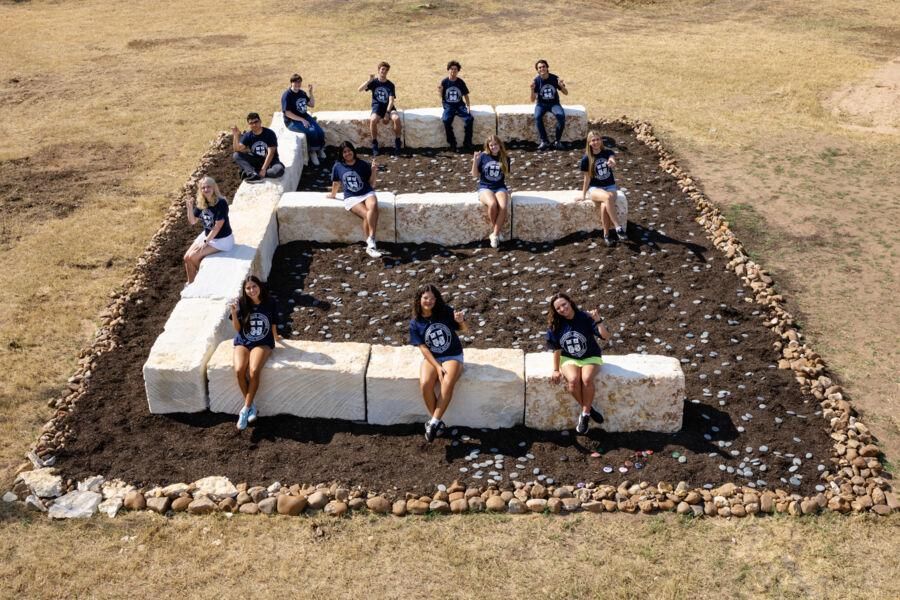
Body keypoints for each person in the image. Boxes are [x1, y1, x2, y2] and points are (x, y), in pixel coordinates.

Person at [409, 284, 469, 443]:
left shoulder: (445, 311)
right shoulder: (415, 323)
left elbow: (464, 329)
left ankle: (433, 422)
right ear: (419, 299)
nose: (429, 301)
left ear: (437, 300)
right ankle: (436, 422)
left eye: (432, 298)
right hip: (432, 358)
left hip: (452, 355)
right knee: (425, 384)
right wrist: (436, 366)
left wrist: (461, 321)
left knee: (447, 382)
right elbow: (423, 348)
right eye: (425, 298)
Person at [546, 292, 608, 435]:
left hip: (590, 356)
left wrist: (598, 321)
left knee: (586, 379)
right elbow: (556, 349)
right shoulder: (555, 324)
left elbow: (605, 337)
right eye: (558, 308)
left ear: (570, 302)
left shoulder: (585, 317)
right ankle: (589, 410)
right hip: (569, 358)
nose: (562, 309)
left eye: (564, 304)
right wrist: (556, 369)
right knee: (573, 380)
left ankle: (584, 414)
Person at [230, 275, 281, 431]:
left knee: (253, 371)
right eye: (248, 288)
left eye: (254, 286)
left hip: (262, 343)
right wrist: (233, 313)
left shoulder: (270, 302)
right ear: (244, 290)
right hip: (243, 342)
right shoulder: (241, 303)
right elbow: (238, 329)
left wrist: (276, 337)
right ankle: (252, 407)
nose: (251, 290)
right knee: (239, 370)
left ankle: (245, 410)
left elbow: (273, 323)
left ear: (259, 287)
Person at [326, 141, 383, 258]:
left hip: (366, 192)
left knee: (373, 205)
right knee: (367, 214)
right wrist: (333, 195)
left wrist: (373, 171)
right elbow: (336, 182)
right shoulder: (338, 166)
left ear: (353, 151)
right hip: (351, 197)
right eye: (344, 152)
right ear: (341, 154)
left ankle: (371, 240)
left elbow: (371, 184)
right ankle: (371, 247)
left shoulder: (362, 164)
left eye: (349, 150)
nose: (347, 153)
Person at [576, 130, 626, 246]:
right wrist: (583, 195)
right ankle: (618, 227)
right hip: (595, 188)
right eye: (593, 140)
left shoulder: (607, 152)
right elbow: (587, 178)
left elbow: (612, 159)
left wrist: (612, 162)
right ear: (589, 143)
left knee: (604, 205)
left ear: (601, 140)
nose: (596, 142)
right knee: (607, 198)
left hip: (610, 186)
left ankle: (606, 235)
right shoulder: (586, 159)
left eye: (598, 139)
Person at [183, 176, 234, 284]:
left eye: (208, 187)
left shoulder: (221, 203)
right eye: (203, 188)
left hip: (222, 239)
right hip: (208, 235)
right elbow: (192, 221)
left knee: (193, 256)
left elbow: (218, 226)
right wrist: (189, 208)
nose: (206, 190)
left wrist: (206, 242)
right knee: (187, 257)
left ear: (214, 187)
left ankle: (203, 280)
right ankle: (191, 283)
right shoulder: (202, 202)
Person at [471, 135, 511, 248]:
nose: (493, 147)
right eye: (491, 145)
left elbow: (505, 175)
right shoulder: (483, 156)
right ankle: (496, 233)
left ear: (500, 145)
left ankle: (494, 234)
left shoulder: (505, 158)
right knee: (492, 204)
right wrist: (475, 160)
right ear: (488, 146)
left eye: (495, 144)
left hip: (500, 187)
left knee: (503, 206)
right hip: (485, 187)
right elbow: (474, 175)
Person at [281, 73, 327, 167]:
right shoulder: (287, 95)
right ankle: (313, 152)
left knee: (320, 131)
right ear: (291, 83)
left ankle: (320, 149)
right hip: (292, 121)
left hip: (304, 116)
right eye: (296, 82)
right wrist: (302, 120)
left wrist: (310, 93)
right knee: (312, 131)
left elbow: (311, 104)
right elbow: (287, 113)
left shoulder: (302, 93)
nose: (298, 84)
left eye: (299, 83)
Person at [358, 61, 402, 156]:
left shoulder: (390, 85)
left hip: (388, 108)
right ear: (378, 70)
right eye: (382, 69)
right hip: (377, 107)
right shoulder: (374, 82)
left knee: (396, 118)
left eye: (386, 70)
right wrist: (369, 80)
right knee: (373, 120)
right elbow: (360, 89)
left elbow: (391, 101)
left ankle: (398, 142)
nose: (384, 71)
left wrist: (387, 113)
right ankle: (374, 143)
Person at [232, 112, 285, 182]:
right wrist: (236, 136)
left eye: (256, 122)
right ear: (249, 125)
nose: (254, 125)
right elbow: (237, 149)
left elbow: (271, 153)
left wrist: (263, 169)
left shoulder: (269, 133)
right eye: (251, 123)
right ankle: (252, 174)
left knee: (278, 171)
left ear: (260, 121)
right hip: (256, 161)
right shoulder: (248, 135)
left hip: (271, 161)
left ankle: (252, 172)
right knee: (236, 155)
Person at [530, 59, 568, 150]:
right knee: (537, 117)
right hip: (541, 104)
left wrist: (561, 86)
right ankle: (544, 141)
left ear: (547, 68)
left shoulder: (554, 78)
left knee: (561, 116)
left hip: (554, 103)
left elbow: (566, 93)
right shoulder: (536, 81)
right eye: (539, 67)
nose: (542, 69)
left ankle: (557, 141)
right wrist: (532, 89)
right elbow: (532, 100)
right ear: (537, 70)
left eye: (543, 67)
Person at [438, 60, 473, 151]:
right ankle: (452, 142)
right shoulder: (444, 82)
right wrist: (440, 91)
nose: (453, 71)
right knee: (446, 120)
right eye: (451, 69)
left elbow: (466, 95)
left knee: (469, 119)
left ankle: (467, 142)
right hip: (449, 106)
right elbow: (441, 97)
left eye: (455, 69)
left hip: (460, 105)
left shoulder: (460, 82)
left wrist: (468, 106)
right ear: (448, 70)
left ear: (458, 71)